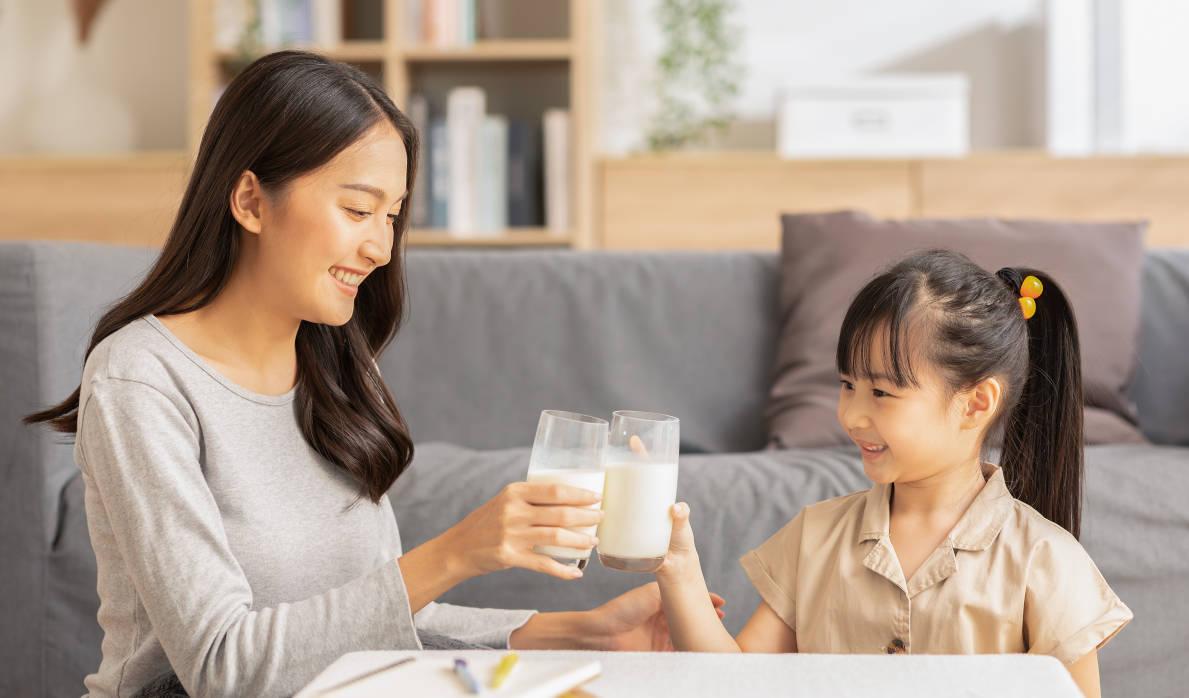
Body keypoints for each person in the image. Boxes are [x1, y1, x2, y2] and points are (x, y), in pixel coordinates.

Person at [24, 51, 720, 698]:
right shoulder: (142, 378)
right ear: (249, 201)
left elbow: (358, 624)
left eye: (391, 216)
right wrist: (454, 553)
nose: (381, 246)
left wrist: (575, 629)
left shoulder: (332, 370)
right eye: (357, 209)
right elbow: (222, 666)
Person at [652, 249, 1131, 698]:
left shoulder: (1045, 560)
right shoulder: (814, 538)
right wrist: (678, 571)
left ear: (975, 403)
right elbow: (732, 686)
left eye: (881, 392)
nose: (853, 415)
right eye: (847, 385)